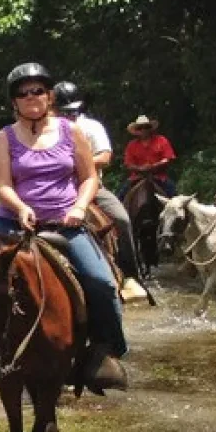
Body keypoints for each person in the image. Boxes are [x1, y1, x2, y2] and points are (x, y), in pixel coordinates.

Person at [0, 64, 127, 391]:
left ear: (49, 96)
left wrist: (80, 207)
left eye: (37, 90)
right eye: (23, 93)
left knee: (102, 282)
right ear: (14, 101)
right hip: (11, 220)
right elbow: (1, 184)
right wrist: (21, 207)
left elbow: (88, 178)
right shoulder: (4, 138)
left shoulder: (71, 132)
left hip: (65, 220)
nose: (31, 97)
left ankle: (104, 351)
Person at [52, 81, 147, 298]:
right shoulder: (42, 130)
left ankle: (131, 276)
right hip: (54, 190)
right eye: (64, 112)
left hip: (90, 187)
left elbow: (105, 156)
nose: (70, 116)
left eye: (73, 111)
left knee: (121, 219)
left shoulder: (91, 127)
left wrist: (77, 165)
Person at [123, 115, 176, 196]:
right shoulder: (131, 145)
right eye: (140, 128)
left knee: (173, 193)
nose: (143, 130)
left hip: (158, 176)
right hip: (137, 178)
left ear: (150, 128)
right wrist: (140, 168)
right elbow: (128, 164)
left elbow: (168, 158)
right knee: (120, 195)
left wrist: (153, 166)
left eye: (146, 127)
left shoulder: (161, 140)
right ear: (137, 131)